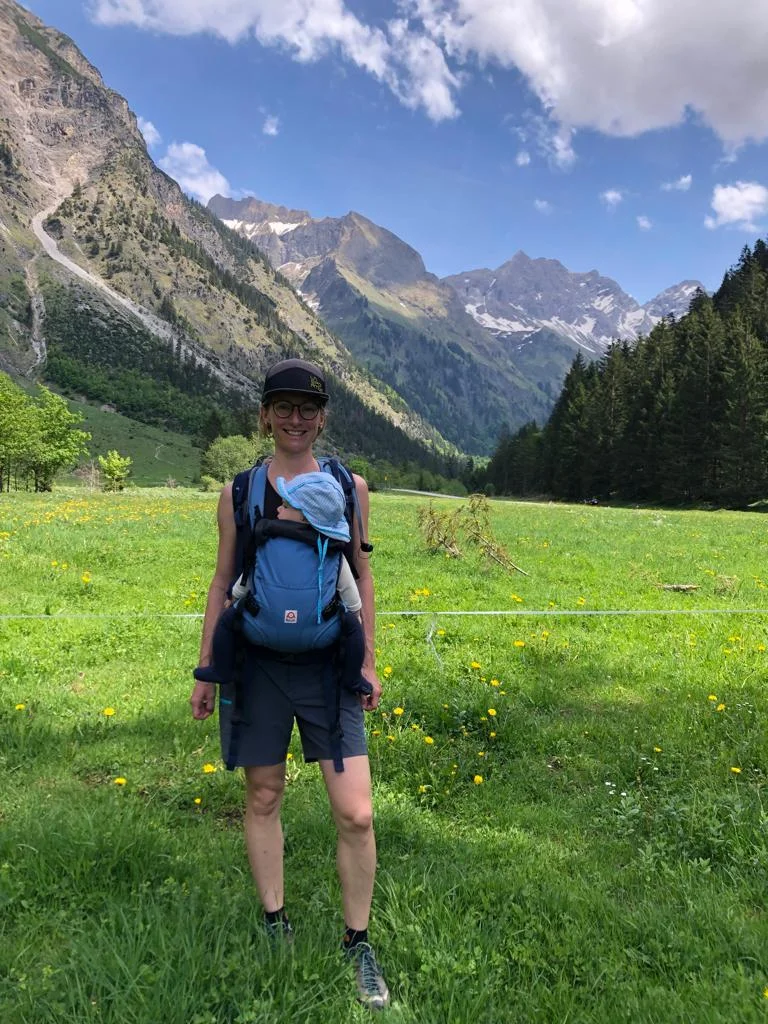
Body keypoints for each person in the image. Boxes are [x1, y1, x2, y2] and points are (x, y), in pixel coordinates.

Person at [190, 358, 389, 1011]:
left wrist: (368, 661)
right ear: (265, 415)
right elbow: (223, 581)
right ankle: (275, 921)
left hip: (331, 665)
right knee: (264, 795)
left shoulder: (347, 485)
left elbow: (361, 576)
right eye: (283, 407)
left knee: (356, 813)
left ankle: (357, 941)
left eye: (307, 408)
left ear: (323, 417)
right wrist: (206, 669)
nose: (295, 418)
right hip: (257, 666)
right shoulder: (240, 491)